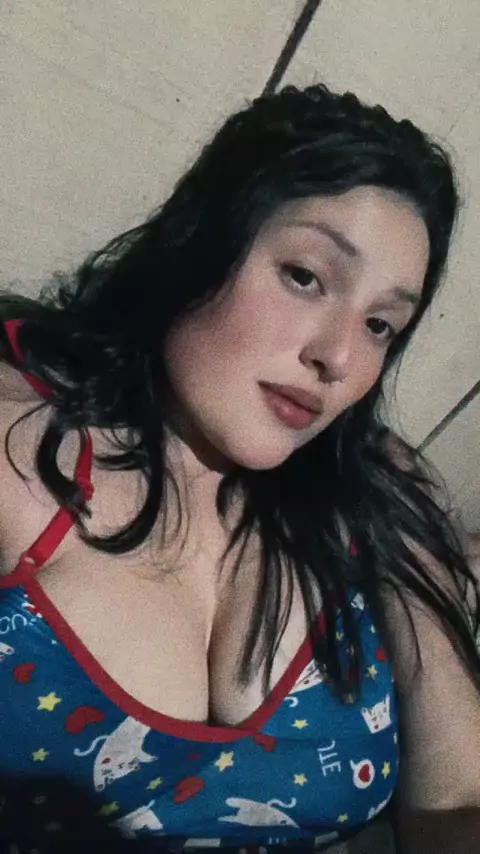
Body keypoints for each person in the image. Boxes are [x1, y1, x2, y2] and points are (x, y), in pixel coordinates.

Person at [0, 82, 478, 854]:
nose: (338, 357)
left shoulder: (377, 489)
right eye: (305, 277)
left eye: (381, 324)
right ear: (201, 240)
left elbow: (457, 800)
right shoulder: (21, 446)